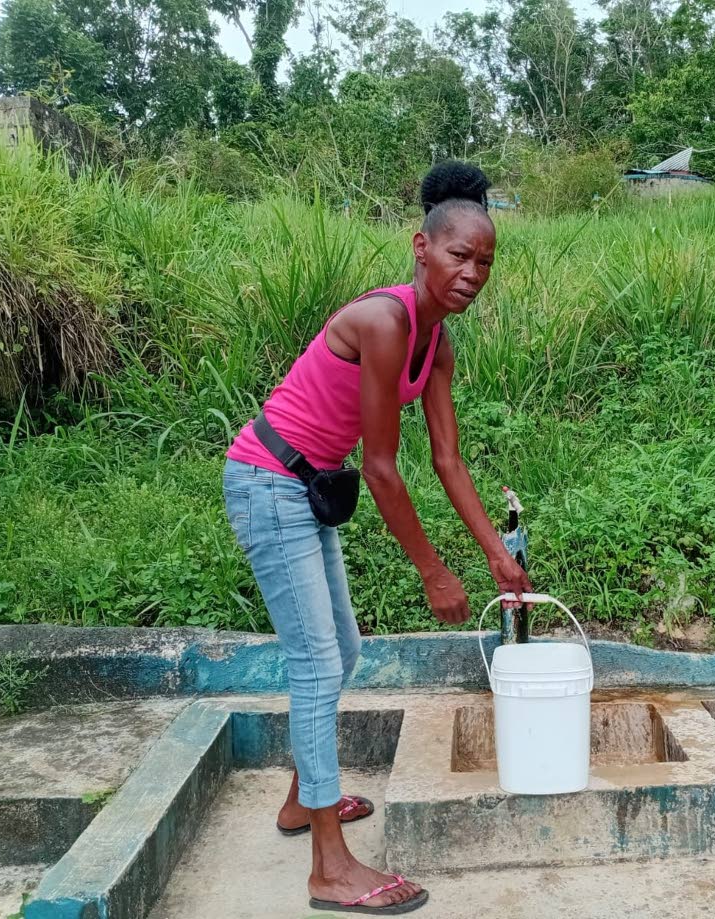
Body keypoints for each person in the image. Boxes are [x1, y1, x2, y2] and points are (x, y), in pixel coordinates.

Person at [222, 161, 532, 914]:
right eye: (460, 255)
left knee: (344, 651)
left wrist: (494, 551)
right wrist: (433, 570)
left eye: (485, 262)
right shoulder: (387, 323)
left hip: (305, 486)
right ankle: (329, 866)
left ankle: (305, 801)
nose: (472, 273)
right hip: (269, 481)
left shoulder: (438, 343)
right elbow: (384, 470)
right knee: (317, 660)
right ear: (421, 246)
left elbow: (447, 460)